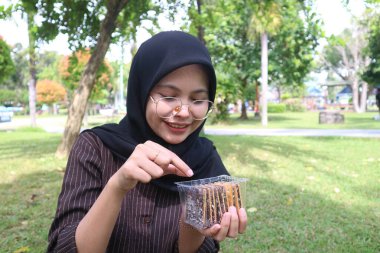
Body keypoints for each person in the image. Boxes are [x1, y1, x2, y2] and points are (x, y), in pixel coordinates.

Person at [47, 31, 248, 253]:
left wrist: (196, 219)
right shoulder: (95, 147)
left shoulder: (205, 160)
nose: (183, 112)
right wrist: (118, 185)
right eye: (169, 97)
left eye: (197, 99)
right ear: (141, 92)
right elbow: (65, 247)